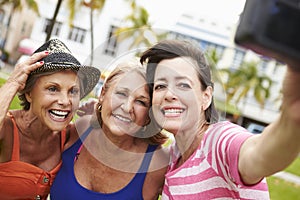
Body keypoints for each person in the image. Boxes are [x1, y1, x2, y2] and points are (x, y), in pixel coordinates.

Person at [140, 39, 300, 199]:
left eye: (183, 85)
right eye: (160, 86)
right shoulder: (175, 155)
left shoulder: (218, 142)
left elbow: (258, 154)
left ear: (206, 97)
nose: (169, 95)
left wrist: (292, 118)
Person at [50, 60, 169, 200]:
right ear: (103, 94)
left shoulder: (157, 164)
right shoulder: (80, 130)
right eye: (121, 94)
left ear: (149, 115)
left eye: (141, 102)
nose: (127, 107)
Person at [0, 39, 100, 200]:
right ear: (29, 93)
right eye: (53, 89)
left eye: (73, 91)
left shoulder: (69, 135)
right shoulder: (6, 129)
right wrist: (12, 83)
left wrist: (100, 110)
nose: (65, 101)